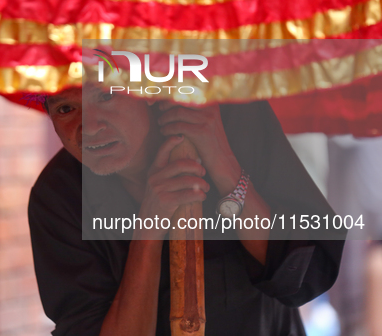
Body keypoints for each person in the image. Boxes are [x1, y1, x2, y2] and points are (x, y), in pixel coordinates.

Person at [28, 84, 345, 336]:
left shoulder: (228, 119)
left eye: (107, 95)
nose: (90, 127)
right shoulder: (58, 197)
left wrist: (222, 161)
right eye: (66, 108)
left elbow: (303, 278)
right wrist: (151, 224)